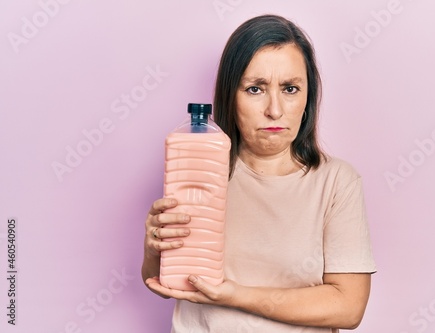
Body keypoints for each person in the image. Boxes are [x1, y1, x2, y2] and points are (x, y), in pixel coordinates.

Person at [142, 14, 376, 332]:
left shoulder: (336, 182)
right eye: (255, 89)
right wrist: (154, 246)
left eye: (290, 88)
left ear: (308, 98)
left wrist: (235, 296)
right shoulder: (199, 166)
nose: (275, 110)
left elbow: (347, 308)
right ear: (230, 95)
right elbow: (165, 279)